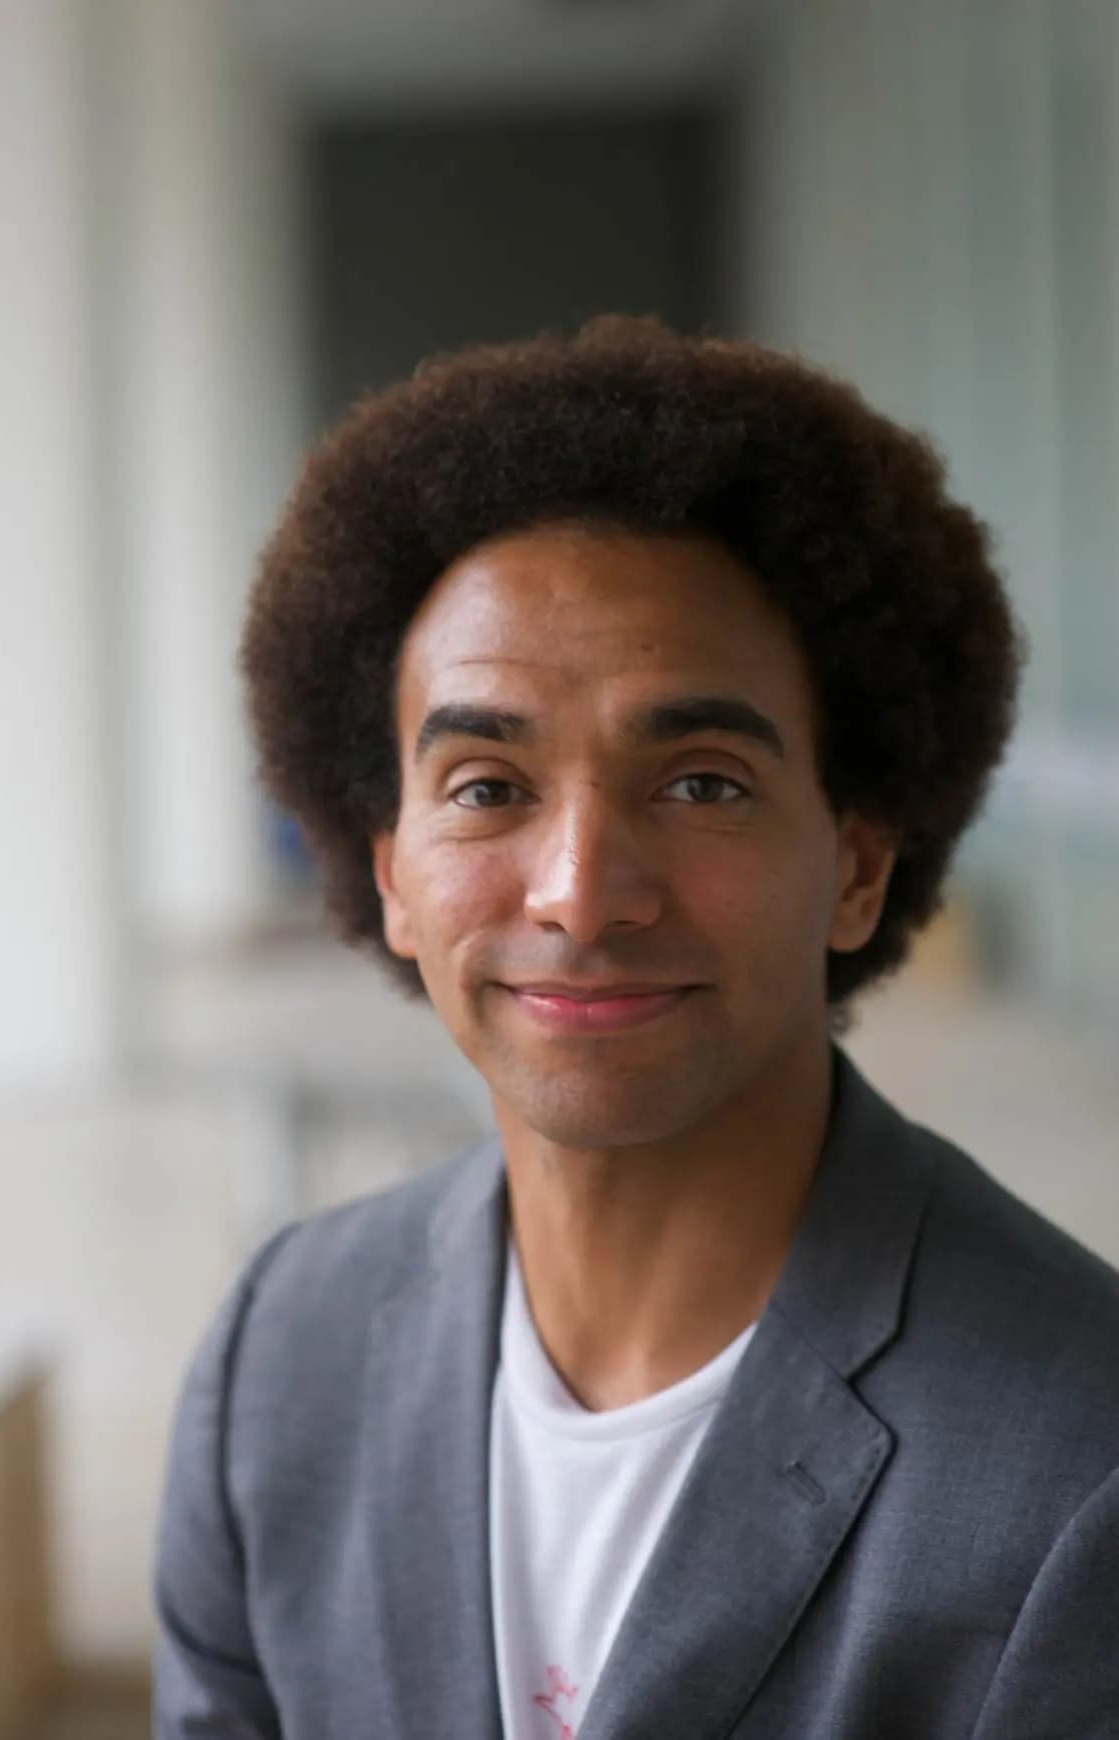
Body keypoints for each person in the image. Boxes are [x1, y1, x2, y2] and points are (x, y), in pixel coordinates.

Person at [153, 318, 1119, 1739]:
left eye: (701, 783)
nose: (581, 892)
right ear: (386, 874)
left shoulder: (1076, 1458)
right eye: (486, 786)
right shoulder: (276, 1360)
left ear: (854, 864)